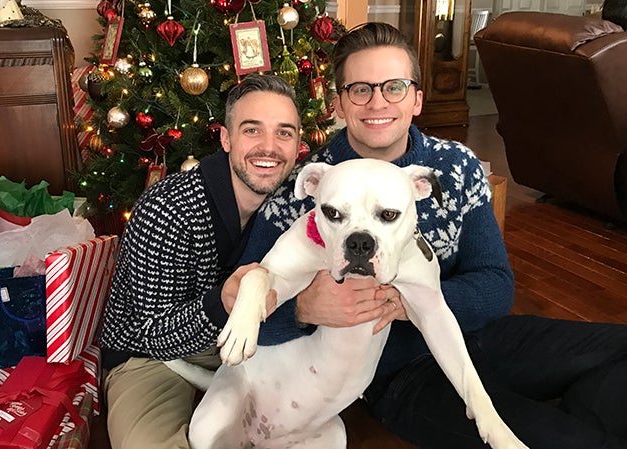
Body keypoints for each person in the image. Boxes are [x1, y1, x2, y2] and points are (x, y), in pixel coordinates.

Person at [237, 22, 627, 449]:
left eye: (395, 87)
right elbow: (245, 310)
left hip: (477, 336)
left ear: (417, 99)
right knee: (563, 440)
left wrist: (411, 304)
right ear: (339, 104)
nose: (378, 102)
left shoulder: (455, 166)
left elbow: (496, 286)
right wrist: (303, 309)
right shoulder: (307, 186)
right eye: (360, 89)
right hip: (401, 375)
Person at [99, 74, 302, 449]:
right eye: (252, 130)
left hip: (256, 346)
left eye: (284, 133)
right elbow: (154, 332)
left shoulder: (298, 200)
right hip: (150, 355)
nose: (269, 147)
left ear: (299, 144)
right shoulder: (167, 208)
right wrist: (224, 302)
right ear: (226, 138)